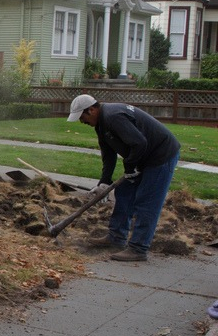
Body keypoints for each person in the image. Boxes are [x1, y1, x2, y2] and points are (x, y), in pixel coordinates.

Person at [68, 94, 181, 262]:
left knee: (146, 201)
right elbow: (108, 155)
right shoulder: (101, 124)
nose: (81, 121)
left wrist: (130, 167)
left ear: (91, 109)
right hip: (143, 156)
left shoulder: (113, 117)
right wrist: (104, 182)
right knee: (124, 192)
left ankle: (138, 248)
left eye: (82, 116)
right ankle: (117, 237)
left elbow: (139, 143)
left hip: (160, 156)